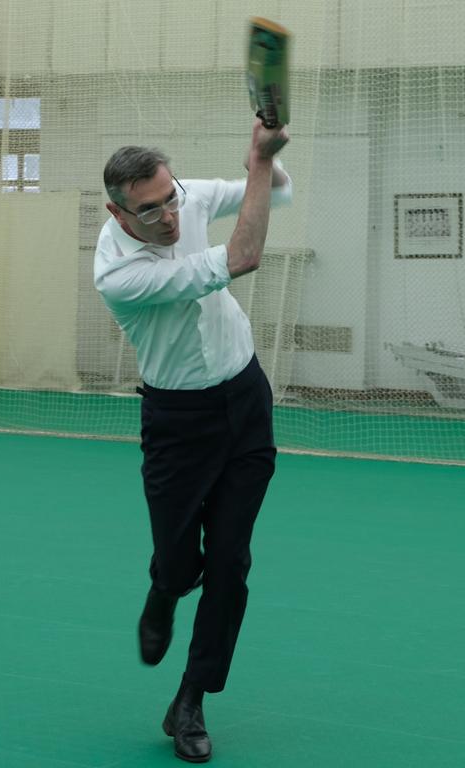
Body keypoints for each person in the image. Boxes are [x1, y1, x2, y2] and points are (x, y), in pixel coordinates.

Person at [94, 119, 291, 763]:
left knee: (231, 561)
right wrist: (260, 164)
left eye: (171, 197)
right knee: (181, 563)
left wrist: (264, 161)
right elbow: (242, 258)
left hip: (245, 401)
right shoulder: (118, 275)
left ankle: (192, 698)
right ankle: (165, 587)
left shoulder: (185, 196)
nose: (169, 216)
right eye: (149, 211)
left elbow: (277, 190)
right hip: (178, 422)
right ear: (117, 212)